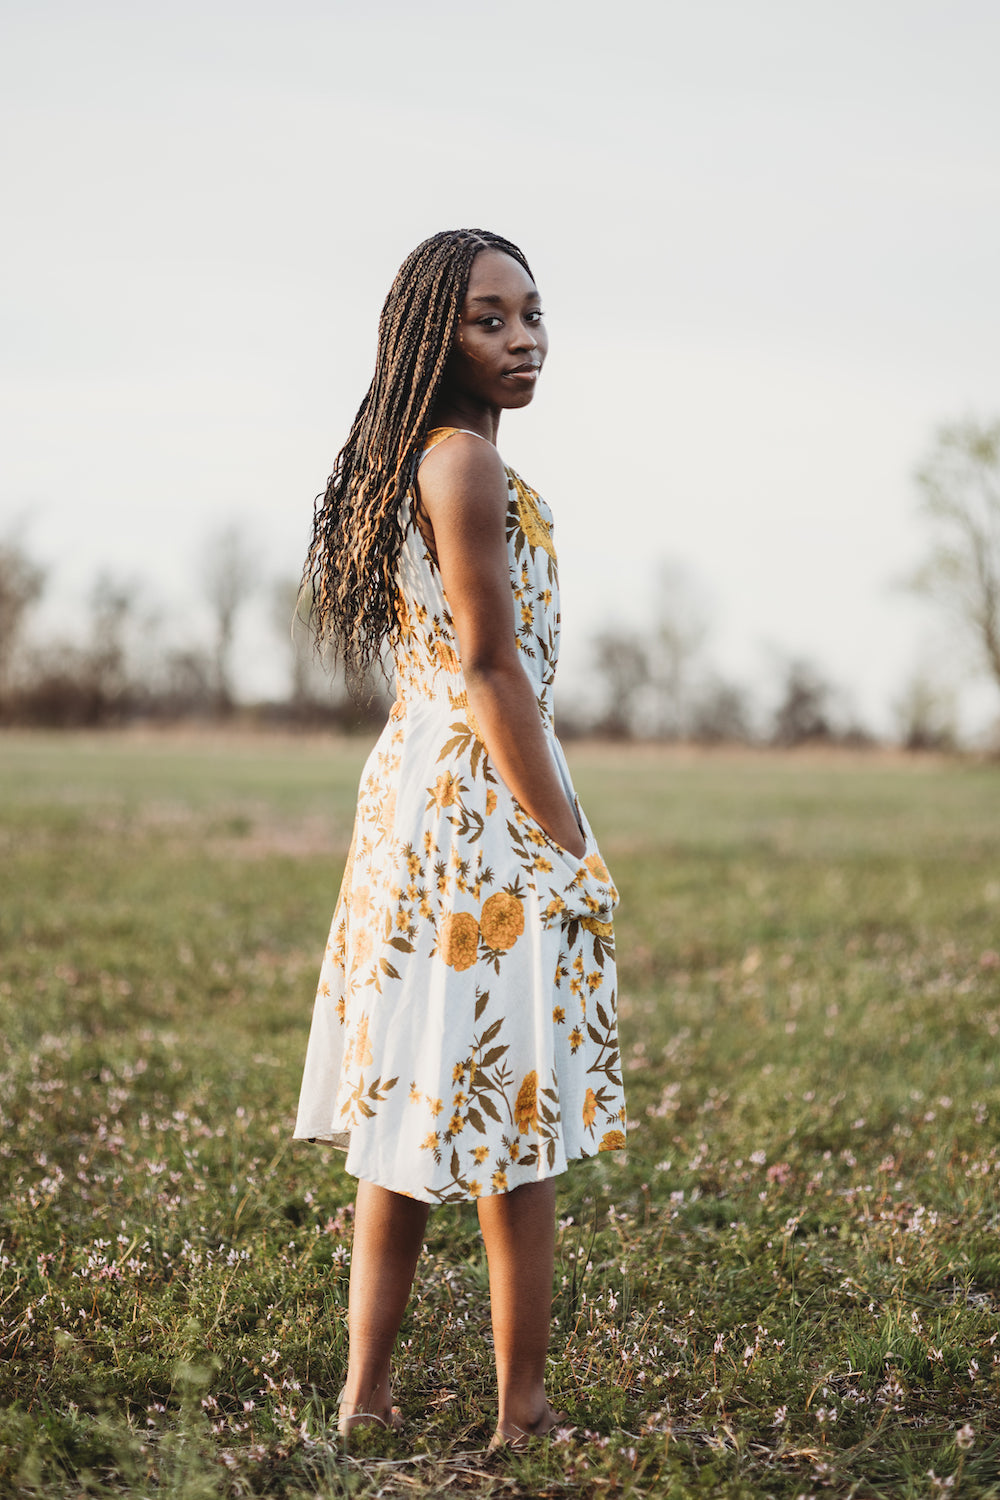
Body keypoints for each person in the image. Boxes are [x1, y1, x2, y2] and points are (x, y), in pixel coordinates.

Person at [293, 228, 626, 1451]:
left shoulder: (428, 461)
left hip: (421, 798)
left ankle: (367, 1397)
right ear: (434, 333)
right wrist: (569, 838)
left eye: (532, 313)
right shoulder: (465, 468)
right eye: (489, 318)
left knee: (409, 1103)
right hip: (482, 811)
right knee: (512, 1121)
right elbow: (493, 668)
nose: (523, 338)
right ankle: (519, 1412)